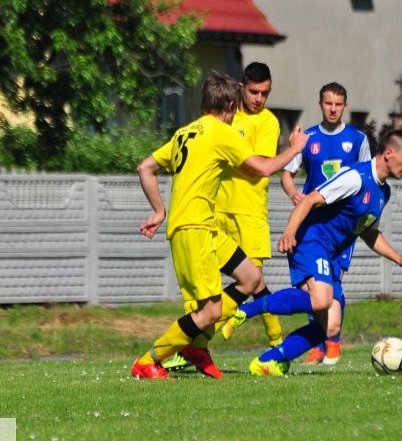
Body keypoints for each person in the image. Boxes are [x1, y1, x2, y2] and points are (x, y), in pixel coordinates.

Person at [131, 72, 307, 380]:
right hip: (194, 230)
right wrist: (294, 149)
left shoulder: (185, 132)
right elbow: (263, 168)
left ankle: (197, 346)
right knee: (210, 312)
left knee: (251, 277)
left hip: (206, 228)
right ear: (230, 106)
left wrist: (159, 211)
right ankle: (149, 360)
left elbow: (145, 167)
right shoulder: (220, 132)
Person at [222, 129, 402, 376]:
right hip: (312, 239)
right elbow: (309, 200)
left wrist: (399, 259)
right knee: (321, 301)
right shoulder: (355, 177)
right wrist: (289, 233)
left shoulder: (384, 192)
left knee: (329, 326)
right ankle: (246, 311)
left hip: (332, 252)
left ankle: (268, 361)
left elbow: (369, 232)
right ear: (389, 154)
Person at [278, 82, 371, 365]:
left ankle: (333, 338)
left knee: (333, 279)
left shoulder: (357, 140)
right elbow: (286, 174)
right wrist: (293, 193)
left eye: (338, 104)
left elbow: (367, 178)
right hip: (312, 224)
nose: (333, 109)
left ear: (345, 106)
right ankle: (318, 343)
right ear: (320, 104)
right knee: (313, 287)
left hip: (341, 226)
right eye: (328, 103)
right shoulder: (307, 138)